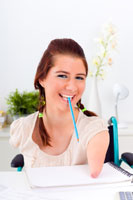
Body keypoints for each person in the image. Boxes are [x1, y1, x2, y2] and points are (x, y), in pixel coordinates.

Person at [9, 38, 109, 178]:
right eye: (62, 76)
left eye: (79, 78)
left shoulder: (94, 128)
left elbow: (94, 171)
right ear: (42, 79)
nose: (72, 87)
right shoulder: (24, 128)